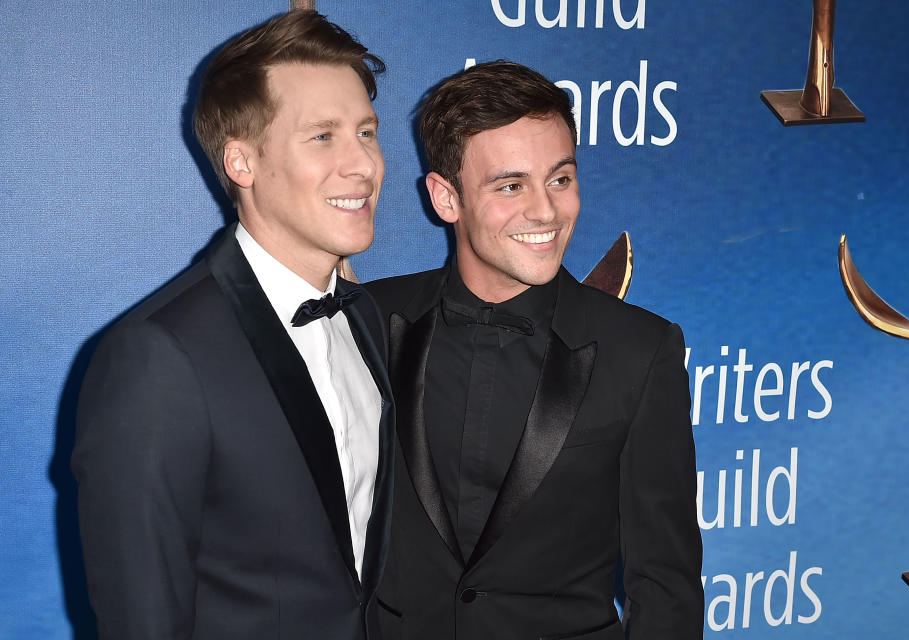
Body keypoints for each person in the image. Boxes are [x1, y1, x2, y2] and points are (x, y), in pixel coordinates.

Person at [71, 11, 393, 640]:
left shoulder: (366, 319)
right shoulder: (158, 357)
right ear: (241, 162)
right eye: (323, 137)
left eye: (366, 132)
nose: (363, 165)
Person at [366, 61, 703, 640]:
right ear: (446, 198)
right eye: (510, 185)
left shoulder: (640, 351)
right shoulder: (367, 320)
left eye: (561, 179)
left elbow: (666, 584)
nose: (547, 211)